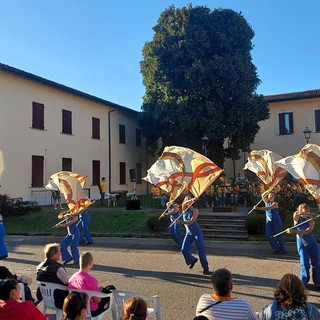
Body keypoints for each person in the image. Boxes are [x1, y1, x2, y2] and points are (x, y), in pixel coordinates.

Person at [68, 251, 115, 317]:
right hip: (91, 310)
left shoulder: (72, 278)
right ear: (90, 263)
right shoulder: (91, 280)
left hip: (77, 307)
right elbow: (98, 300)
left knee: (108, 288)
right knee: (111, 290)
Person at [286, 203, 320, 289]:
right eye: (304, 210)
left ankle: (318, 282)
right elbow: (295, 214)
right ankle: (304, 282)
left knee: (316, 263)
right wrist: (304, 213)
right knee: (304, 264)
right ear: (300, 210)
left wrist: (294, 232)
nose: (307, 212)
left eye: (308, 210)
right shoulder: (297, 217)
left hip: (312, 242)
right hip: (301, 243)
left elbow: (307, 231)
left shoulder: (312, 219)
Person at [175, 196, 210, 275]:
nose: (188, 201)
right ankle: (192, 260)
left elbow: (191, 222)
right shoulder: (184, 209)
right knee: (184, 249)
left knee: (200, 250)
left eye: (189, 199)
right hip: (189, 233)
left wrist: (180, 222)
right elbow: (184, 203)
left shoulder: (195, 210)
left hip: (196, 232)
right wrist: (190, 200)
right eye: (186, 200)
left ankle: (205, 267)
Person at [36, 243, 70, 308]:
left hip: (44, 297)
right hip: (59, 299)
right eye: (59, 252)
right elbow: (69, 282)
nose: (60, 254)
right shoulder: (58, 268)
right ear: (53, 255)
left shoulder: (39, 267)